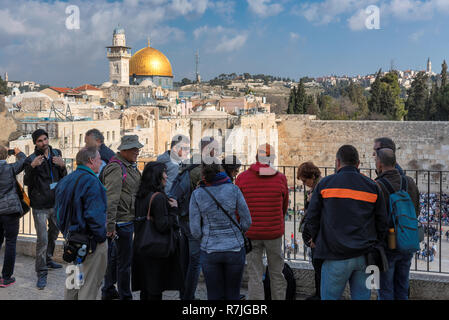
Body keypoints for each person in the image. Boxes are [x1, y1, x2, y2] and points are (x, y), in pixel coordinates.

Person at [303, 145, 388, 300]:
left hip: (334, 255)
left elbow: (312, 217)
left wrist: (316, 238)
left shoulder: (325, 184)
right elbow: (382, 222)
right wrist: (374, 243)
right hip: (365, 256)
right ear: (358, 163)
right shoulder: (372, 187)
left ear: (337, 162)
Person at [189, 163, 251, 300]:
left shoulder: (197, 194)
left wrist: (205, 238)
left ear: (203, 175)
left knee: (214, 294)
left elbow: (195, 230)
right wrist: (238, 232)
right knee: (233, 294)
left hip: (210, 249)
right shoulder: (233, 189)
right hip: (234, 248)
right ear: (220, 171)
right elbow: (247, 220)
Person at [236, 143, 289, 300]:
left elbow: (237, 207)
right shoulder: (280, 178)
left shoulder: (242, 178)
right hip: (273, 233)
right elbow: (284, 207)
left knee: (255, 275)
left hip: (251, 233)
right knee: (277, 273)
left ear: (256, 157)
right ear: (271, 158)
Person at [55, 146, 107, 300]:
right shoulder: (92, 182)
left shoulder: (65, 180)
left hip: (71, 243)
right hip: (90, 245)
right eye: (98, 159)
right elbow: (95, 217)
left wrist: (68, 234)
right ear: (91, 160)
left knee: (72, 286)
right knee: (89, 287)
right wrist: (101, 238)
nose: (100, 162)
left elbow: (57, 213)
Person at [132, 162, 185, 300]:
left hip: (142, 246)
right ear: (157, 176)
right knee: (155, 290)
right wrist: (174, 211)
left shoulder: (140, 196)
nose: (166, 176)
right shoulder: (159, 198)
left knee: (146, 289)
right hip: (156, 250)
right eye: (164, 173)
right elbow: (162, 225)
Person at [23, 129, 67, 290]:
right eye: (40, 141)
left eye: (45, 139)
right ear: (35, 143)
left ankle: (48, 259)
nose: (43, 142)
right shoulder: (31, 159)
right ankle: (41, 273)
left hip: (56, 203)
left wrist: (62, 166)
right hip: (40, 205)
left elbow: (64, 177)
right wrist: (32, 168)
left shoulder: (57, 153)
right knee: (42, 240)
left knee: (54, 234)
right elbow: (28, 182)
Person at [374, 148, 420, 300]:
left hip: (387, 245)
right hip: (407, 241)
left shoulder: (377, 186)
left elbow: (375, 218)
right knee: (402, 288)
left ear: (379, 164)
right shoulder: (410, 183)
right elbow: (416, 210)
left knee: (385, 290)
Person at [101, 135, 143, 300]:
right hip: (121, 222)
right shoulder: (116, 168)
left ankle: (108, 290)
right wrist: (110, 226)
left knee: (115, 260)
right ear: (124, 150)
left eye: (137, 148)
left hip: (125, 219)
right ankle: (125, 295)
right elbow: (111, 199)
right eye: (134, 149)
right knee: (124, 264)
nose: (137, 151)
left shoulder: (129, 166)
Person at [178, 136, 219, 300]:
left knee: (185, 260)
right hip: (196, 220)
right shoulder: (206, 168)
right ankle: (188, 297)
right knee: (195, 261)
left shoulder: (188, 163)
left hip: (183, 216)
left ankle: (184, 293)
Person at [0, 146, 26, 287]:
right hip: (10, 211)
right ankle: (6, 278)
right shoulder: (9, 169)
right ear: (5, 155)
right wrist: (18, 152)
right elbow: (25, 160)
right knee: (10, 243)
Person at [297, 161, 322, 300]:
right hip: (314, 237)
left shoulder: (319, 188)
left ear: (312, 175)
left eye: (305, 180)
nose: (304, 183)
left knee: (319, 267)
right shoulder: (314, 188)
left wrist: (315, 237)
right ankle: (318, 293)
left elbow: (320, 215)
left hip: (316, 239)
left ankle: (320, 295)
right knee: (316, 266)